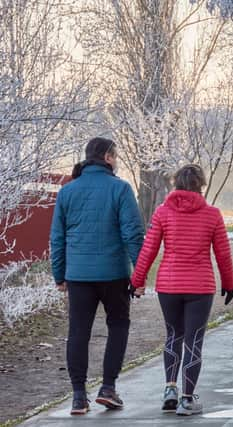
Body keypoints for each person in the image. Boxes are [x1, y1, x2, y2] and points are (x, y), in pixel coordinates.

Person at [131, 164, 233, 416]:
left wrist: (137, 280)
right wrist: (229, 283)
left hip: (169, 285)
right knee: (194, 341)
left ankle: (169, 389)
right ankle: (187, 399)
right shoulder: (212, 214)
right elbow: (222, 253)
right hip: (200, 286)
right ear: (201, 185)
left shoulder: (163, 212)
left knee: (173, 336)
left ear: (175, 183)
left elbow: (149, 249)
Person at [50, 137, 145, 415]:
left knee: (78, 332)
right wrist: (139, 276)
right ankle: (108, 388)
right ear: (107, 157)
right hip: (113, 274)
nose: (117, 160)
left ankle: (79, 396)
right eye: (115, 156)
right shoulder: (121, 189)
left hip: (78, 276)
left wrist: (60, 274)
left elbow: (57, 238)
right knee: (118, 325)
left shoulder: (67, 192)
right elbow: (133, 235)